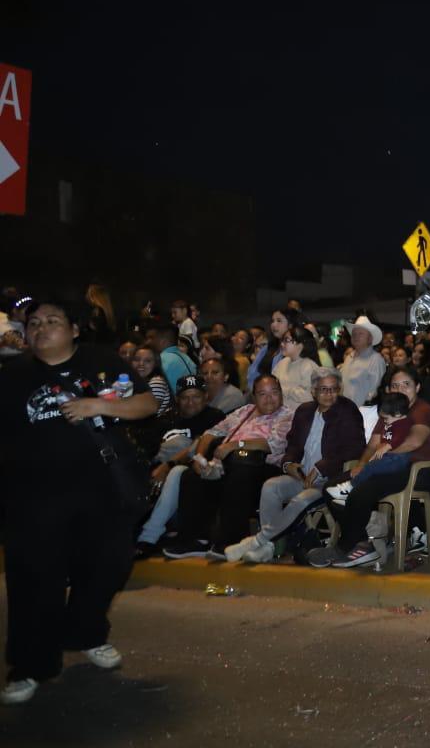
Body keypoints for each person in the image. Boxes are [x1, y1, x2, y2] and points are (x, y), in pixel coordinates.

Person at [0, 300, 162, 706]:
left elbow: (147, 404)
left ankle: (86, 632)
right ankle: (31, 664)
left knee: (109, 565)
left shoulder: (101, 362)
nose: (41, 329)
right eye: (34, 323)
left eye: (52, 321)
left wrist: (100, 406)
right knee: (35, 580)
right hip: (33, 495)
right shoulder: (13, 374)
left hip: (101, 489)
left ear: (74, 329)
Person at [312, 366, 430, 568]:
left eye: (406, 384)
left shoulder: (422, 410)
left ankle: (346, 546)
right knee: (330, 488)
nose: (401, 389)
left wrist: (385, 457)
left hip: (416, 469)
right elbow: (373, 444)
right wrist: (361, 464)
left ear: (417, 387)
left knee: (361, 490)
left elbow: (414, 442)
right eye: (395, 385)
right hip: (388, 467)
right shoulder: (390, 409)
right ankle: (361, 543)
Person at [224, 368, 365, 563]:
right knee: (271, 487)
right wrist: (289, 464)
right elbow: (293, 446)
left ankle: (259, 541)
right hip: (303, 477)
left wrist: (321, 467)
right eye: (323, 389)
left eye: (334, 389)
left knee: (300, 500)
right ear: (313, 391)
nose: (329, 394)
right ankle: (269, 548)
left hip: (329, 480)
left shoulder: (347, 410)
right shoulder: (305, 411)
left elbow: (355, 448)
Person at [161, 375, 295, 558]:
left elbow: (272, 444)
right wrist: (199, 458)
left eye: (274, 393)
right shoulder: (245, 411)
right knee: (191, 476)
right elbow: (211, 433)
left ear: (281, 394)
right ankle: (195, 539)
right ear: (254, 397)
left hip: (262, 467)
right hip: (230, 464)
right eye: (262, 394)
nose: (269, 398)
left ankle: (231, 539)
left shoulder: (287, 415)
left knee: (239, 475)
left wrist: (234, 445)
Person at [134, 374, 227, 557]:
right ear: (177, 399)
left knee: (178, 467)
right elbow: (148, 452)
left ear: (206, 397)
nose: (190, 402)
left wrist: (167, 466)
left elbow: (198, 447)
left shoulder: (214, 416)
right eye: (185, 397)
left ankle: (148, 537)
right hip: (156, 478)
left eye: (196, 396)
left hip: (193, 477)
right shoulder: (164, 420)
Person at [338, 315, 387, 434]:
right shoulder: (349, 358)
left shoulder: (375, 359)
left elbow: (375, 391)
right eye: (354, 333)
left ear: (370, 338)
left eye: (361, 333)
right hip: (342, 414)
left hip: (362, 417)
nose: (355, 336)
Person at [271, 326, 322, 409]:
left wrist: (283, 390)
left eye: (286, 340)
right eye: (282, 340)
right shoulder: (282, 362)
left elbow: (310, 396)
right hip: (280, 413)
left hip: (301, 415)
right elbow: (272, 383)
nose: (282, 344)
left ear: (301, 344)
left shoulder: (309, 366)